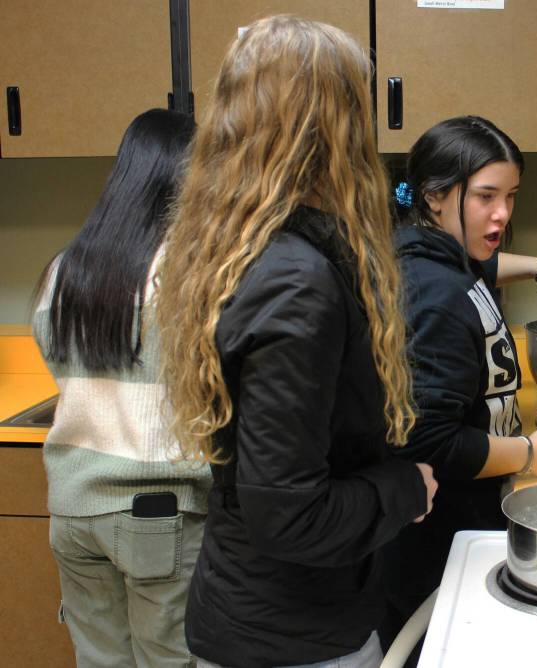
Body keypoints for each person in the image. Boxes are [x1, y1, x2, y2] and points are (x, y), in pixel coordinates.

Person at [156, 16, 437, 668]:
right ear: (331, 128)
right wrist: (406, 488)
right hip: (290, 640)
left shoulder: (251, 249)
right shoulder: (297, 282)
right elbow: (288, 514)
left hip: (270, 619)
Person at [380, 115, 537, 656]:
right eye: (486, 197)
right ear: (435, 198)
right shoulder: (433, 292)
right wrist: (529, 454)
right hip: (436, 546)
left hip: (460, 534)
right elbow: (430, 441)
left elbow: (483, 268)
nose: (502, 215)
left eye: (511, 196)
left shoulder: (449, 264)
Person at [31, 108, 207, 667]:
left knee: (99, 660)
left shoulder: (65, 269)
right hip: (160, 510)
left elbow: (53, 357)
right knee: (170, 660)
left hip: (73, 509)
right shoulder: (184, 276)